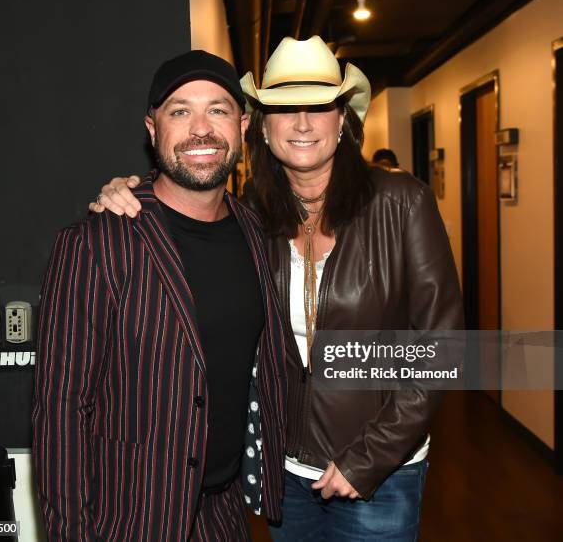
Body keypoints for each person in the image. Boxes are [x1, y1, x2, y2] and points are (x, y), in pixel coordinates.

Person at [91, 36, 464, 541]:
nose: (303, 124)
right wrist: (128, 192)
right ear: (262, 128)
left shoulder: (402, 203)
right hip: (284, 475)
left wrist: (367, 460)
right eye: (286, 109)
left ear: (342, 121)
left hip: (383, 475)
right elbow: (180, 203)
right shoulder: (248, 217)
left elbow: (442, 349)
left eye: (319, 107)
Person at [32, 50, 287, 542]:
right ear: (152, 130)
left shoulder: (255, 231)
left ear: (241, 126)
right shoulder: (98, 242)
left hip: (227, 515)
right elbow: (61, 410)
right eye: (180, 111)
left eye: (218, 110)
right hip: (131, 520)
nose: (201, 129)